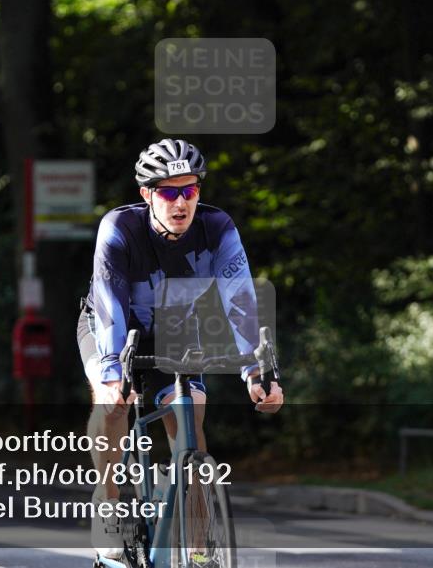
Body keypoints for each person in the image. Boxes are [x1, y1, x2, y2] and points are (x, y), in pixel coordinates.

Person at [77, 138, 284, 560]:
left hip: (176, 331)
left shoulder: (217, 227)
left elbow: (241, 299)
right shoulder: (119, 228)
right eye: (169, 192)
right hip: (110, 327)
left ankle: (199, 547)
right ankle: (108, 503)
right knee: (113, 403)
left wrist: (258, 370)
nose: (181, 202)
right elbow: (110, 302)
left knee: (190, 418)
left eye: (189, 190)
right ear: (146, 194)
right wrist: (113, 372)